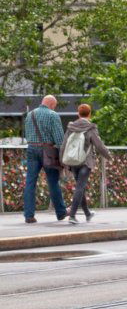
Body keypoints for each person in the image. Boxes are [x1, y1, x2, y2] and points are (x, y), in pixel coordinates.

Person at [61, 104, 111, 224]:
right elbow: (99, 145)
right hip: (85, 162)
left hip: (73, 162)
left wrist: (62, 161)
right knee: (80, 187)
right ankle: (72, 216)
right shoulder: (91, 128)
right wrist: (108, 156)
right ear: (89, 114)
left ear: (78, 113)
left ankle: (87, 214)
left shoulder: (71, 127)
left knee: (80, 187)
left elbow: (64, 145)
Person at [22, 95, 67, 223]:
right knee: (53, 182)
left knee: (30, 182)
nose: (55, 108)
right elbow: (59, 140)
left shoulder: (30, 115)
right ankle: (61, 212)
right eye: (55, 106)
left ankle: (29, 215)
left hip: (31, 149)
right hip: (48, 152)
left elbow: (26, 135)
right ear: (52, 104)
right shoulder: (53, 115)